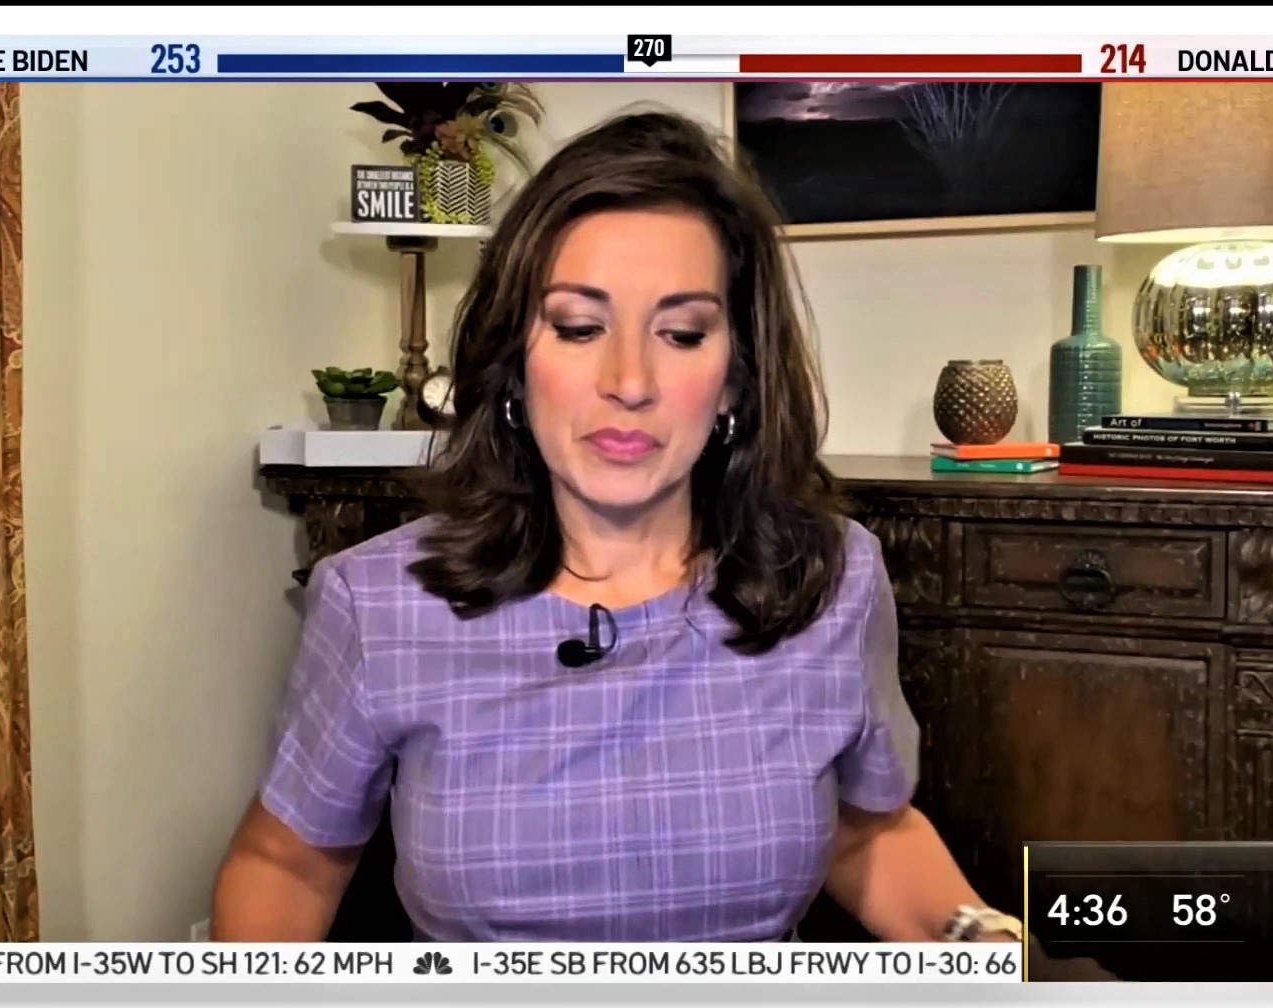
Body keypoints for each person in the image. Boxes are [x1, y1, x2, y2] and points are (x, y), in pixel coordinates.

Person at [210, 109, 1026, 947]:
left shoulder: (832, 579)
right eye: (578, 327)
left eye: (681, 333)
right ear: (514, 363)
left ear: (736, 376)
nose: (629, 381)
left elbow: (866, 831)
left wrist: (985, 942)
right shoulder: (377, 601)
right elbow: (287, 865)